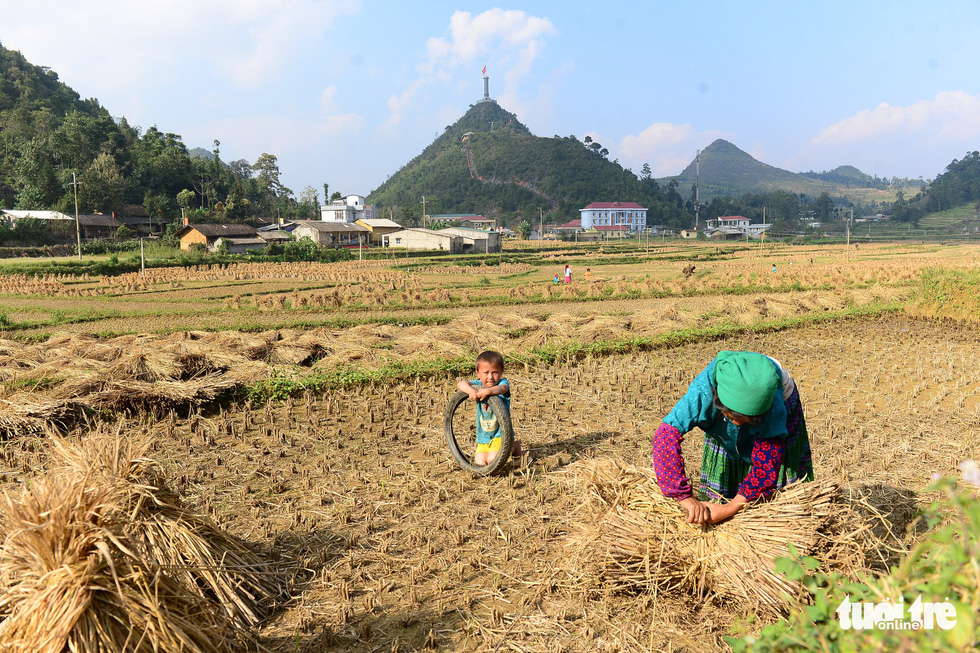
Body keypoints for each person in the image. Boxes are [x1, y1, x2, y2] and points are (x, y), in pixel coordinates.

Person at [651, 351, 813, 524]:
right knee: (729, 439)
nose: (736, 424)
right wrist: (683, 496)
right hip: (731, 394)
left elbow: (767, 466)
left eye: (745, 419)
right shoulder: (703, 392)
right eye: (732, 417)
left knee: (772, 463)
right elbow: (665, 436)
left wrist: (731, 508)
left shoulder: (772, 406)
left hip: (770, 395)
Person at [456, 350, 522, 466]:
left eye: (495, 372)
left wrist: (488, 391)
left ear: (501, 372)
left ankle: (514, 446)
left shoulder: (501, 383)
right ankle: (497, 452)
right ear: (478, 373)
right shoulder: (478, 385)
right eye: (486, 372)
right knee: (480, 462)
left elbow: (503, 388)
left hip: (501, 434)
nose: (490, 377)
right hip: (484, 435)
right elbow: (461, 384)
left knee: (493, 460)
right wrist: (471, 391)